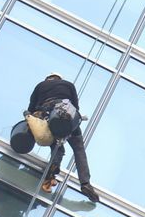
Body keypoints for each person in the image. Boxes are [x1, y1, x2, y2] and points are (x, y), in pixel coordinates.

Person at [27, 74, 99, 202]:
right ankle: (85, 183)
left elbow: (31, 109)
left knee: (56, 145)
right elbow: (76, 107)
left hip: (49, 116)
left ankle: (52, 171)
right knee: (78, 149)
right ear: (59, 79)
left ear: (48, 78)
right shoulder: (69, 85)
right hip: (69, 118)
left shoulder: (40, 85)